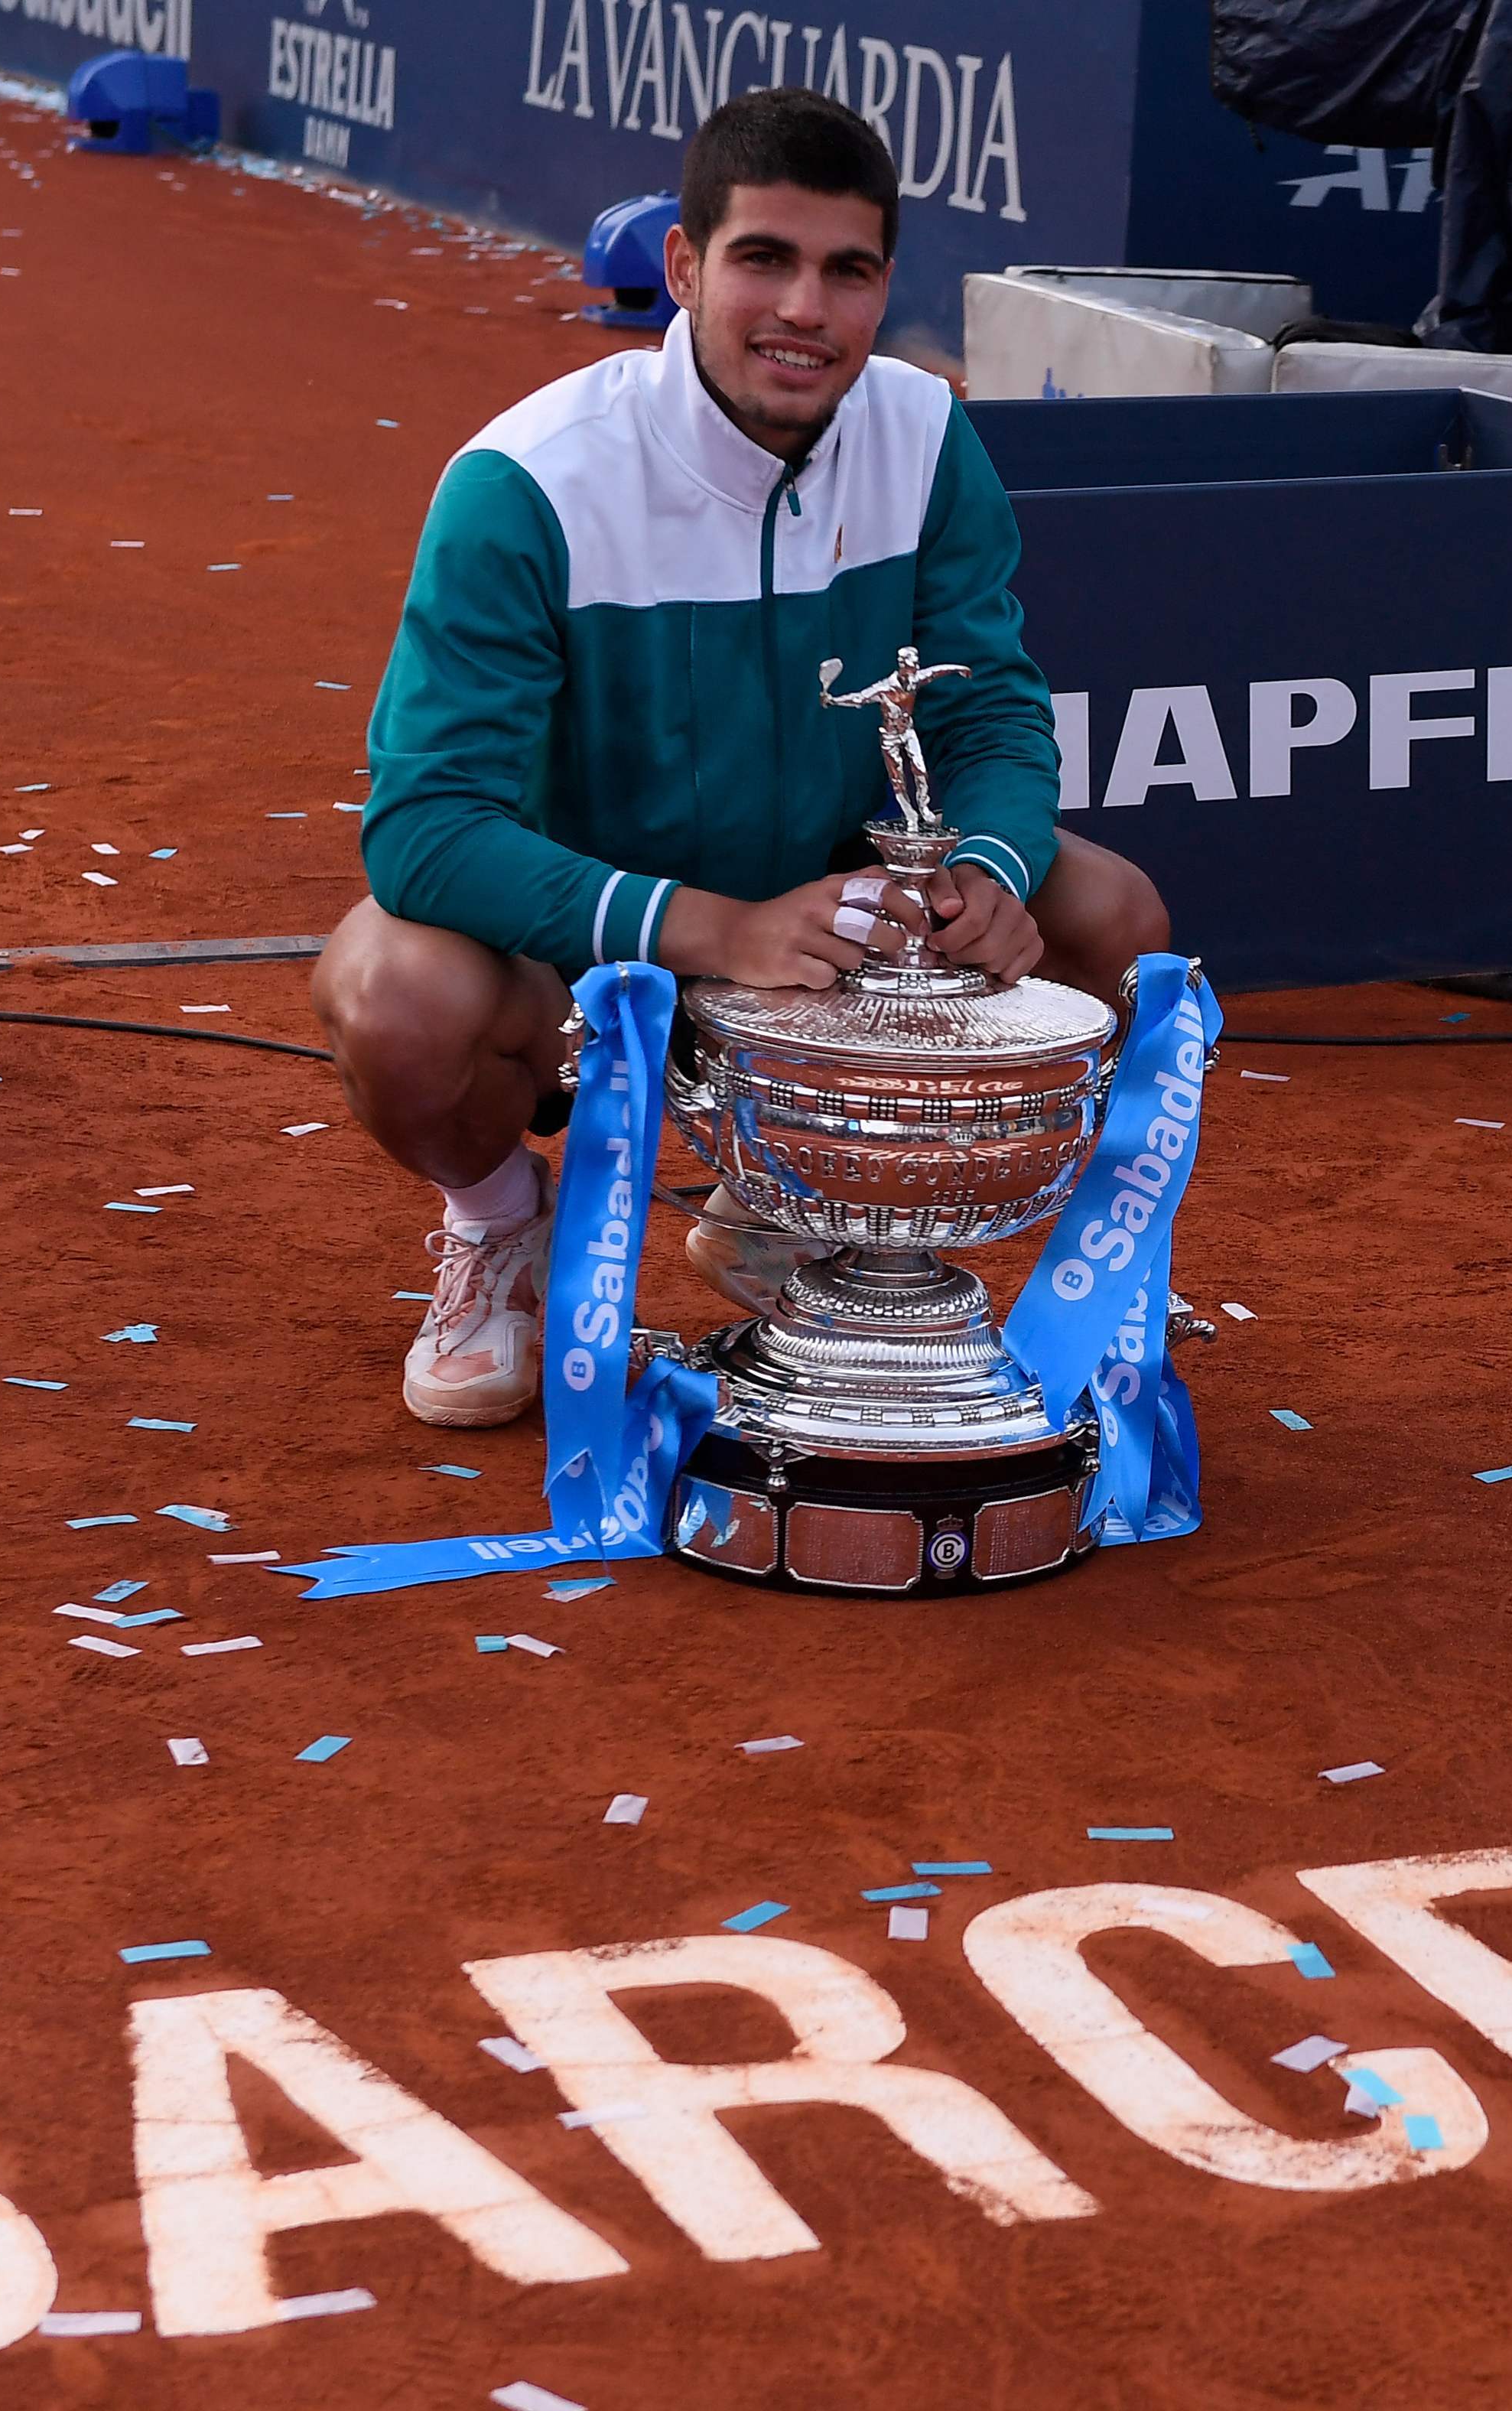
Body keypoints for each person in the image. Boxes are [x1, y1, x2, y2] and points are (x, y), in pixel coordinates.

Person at [314, 88, 1170, 1429]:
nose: (805, 312)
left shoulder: (928, 435)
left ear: (887, 285)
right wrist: (713, 927)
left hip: (831, 936)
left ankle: (781, 1197)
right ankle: (497, 1223)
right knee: (393, 990)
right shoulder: (526, 483)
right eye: (764, 259)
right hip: (584, 963)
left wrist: (987, 869)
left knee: (1108, 913)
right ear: (683, 267)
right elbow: (424, 827)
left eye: (848, 272)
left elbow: (992, 710)